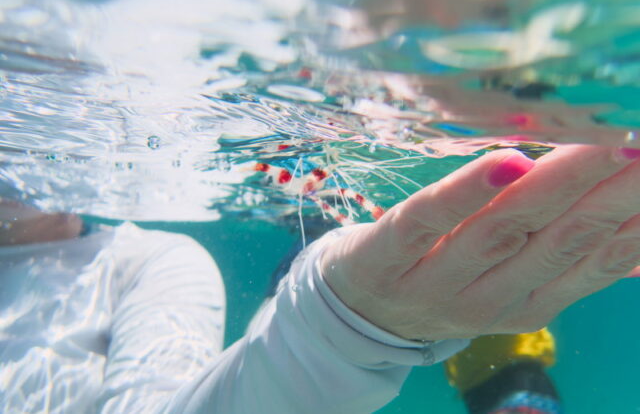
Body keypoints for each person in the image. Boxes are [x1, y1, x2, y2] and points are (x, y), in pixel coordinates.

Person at [1, 144, 640, 413]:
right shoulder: (150, 261)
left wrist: (339, 331)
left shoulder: (147, 263)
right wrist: (342, 330)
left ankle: (517, 394)